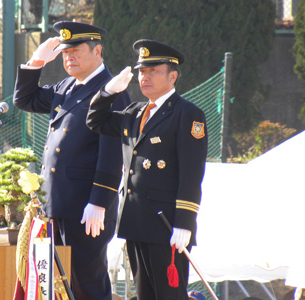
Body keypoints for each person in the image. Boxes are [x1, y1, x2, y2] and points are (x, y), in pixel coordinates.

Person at [13, 21, 130, 300]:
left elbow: (113, 152)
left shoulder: (111, 90)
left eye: (76, 51)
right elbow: (24, 99)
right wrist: (36, 61)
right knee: (58, 286)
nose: (69, 58)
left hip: (86, 208)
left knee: (86, 284)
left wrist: (100, 201)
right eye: (65, 53)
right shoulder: (66, 86)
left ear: (97, 50)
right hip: (57, 204)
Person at [86, 39, 208, 300]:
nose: (145, 77)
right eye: (142, 71)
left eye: (153, 71)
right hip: (136, 221)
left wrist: (184, 223)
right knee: (145, 295)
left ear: (172, 76)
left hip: (166, 224)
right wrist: (107, 92)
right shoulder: (134, 112)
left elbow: (192, 172)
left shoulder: (187, 114)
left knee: (168, 295)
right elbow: (95, 121)